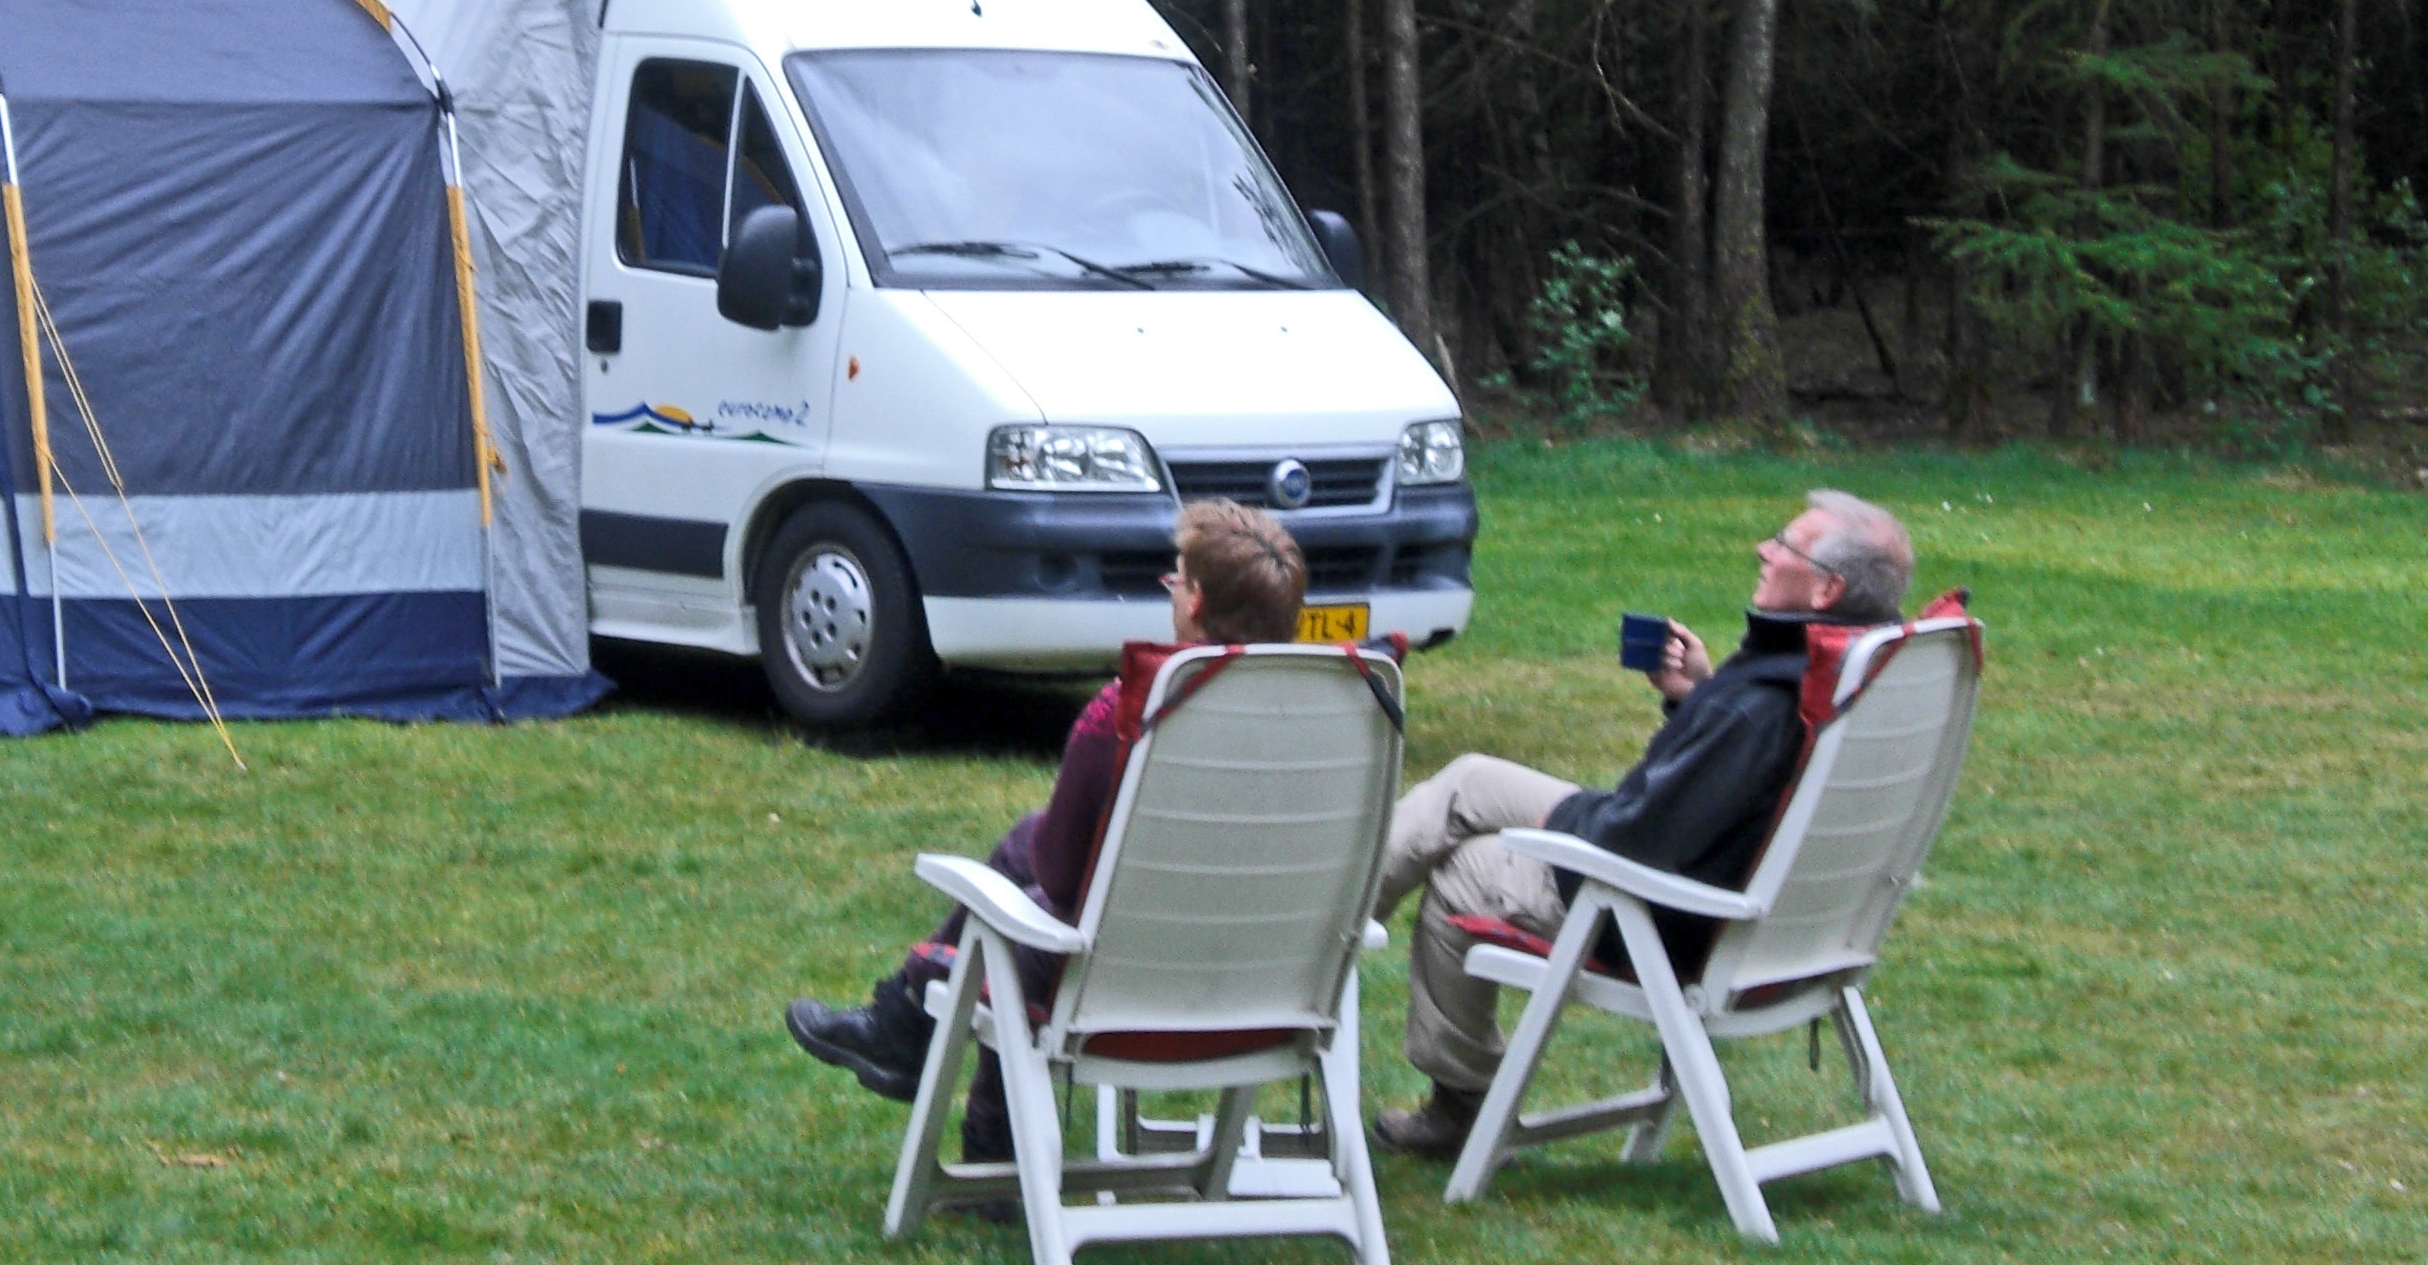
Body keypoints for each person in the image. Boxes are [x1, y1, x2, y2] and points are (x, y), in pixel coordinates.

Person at [1367, 487, 1914, 1161]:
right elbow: (1719, 792)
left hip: (1660, 918)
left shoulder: (1762, 707)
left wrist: (1560, 816)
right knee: (1469, 783)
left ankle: (1318, 952)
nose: (1764, 549)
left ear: (1827, 588)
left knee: (1464, 860)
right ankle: (1348, 952)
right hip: (1791, 929)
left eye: (1785, 544)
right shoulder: (1841, 677)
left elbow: (1637, 839)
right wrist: (1700, 696)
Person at [783, 500, 1310, 1157]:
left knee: (1015, 915)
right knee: (1025, 842)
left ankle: (927, 1047)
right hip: (1272, 982)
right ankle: (907, 1033)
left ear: (1197, 602)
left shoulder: (1131, 711)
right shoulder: (1322, 723)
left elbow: (1060, 876)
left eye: (1179, 575)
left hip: (1124, 983)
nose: (1169, 586)